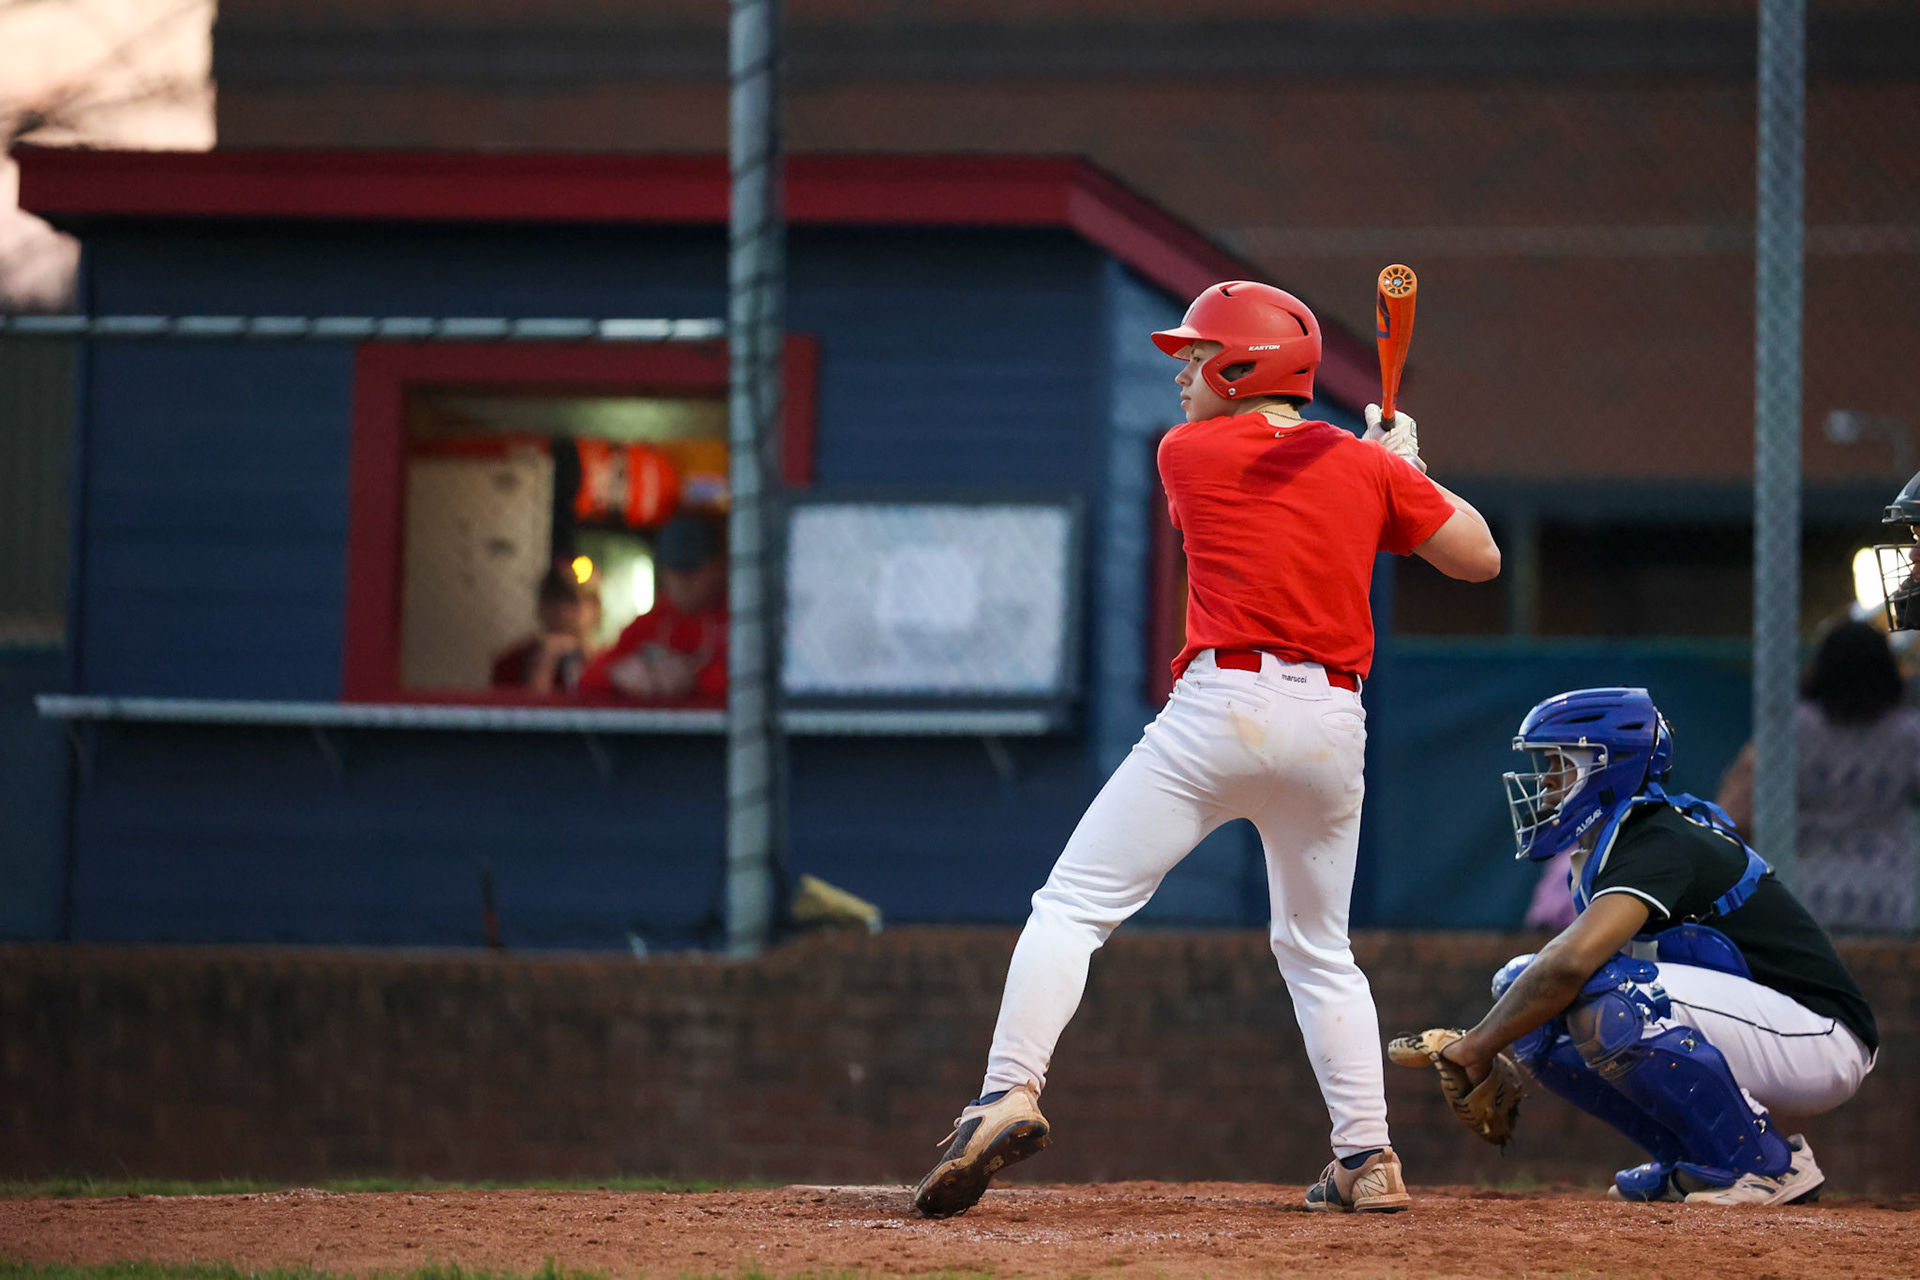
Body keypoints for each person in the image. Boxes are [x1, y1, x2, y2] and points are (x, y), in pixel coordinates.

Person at [910, 280, 1501, 1219]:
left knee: (1071, 907)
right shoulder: (1357, 467)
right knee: (1319, 950)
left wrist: (1385, 467)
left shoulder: (1188, 452)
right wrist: (1406, 469)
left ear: (1242, 365)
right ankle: (1368, 1155)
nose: (1183, 375)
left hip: (1222, 708)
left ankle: (1007, 1092)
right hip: (1332, 726)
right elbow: (1479, 558)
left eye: (1196, 357)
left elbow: (1295, 477)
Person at [1436, 687, 1877, 1205]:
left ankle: (1766, 1165)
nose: (1546, 783)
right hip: (1769, 1024)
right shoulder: (1616, 843)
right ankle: (1699, 1161)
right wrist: (1492, 1037)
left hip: (1822, 1037)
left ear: (1607, 769)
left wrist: (1476, 1046)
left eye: (1559, 765)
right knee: (1528, 996)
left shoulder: (1654, 838)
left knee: (1606, 996)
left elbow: (1572, 964)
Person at [1717, 621, 1920, 933]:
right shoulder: (1907, 733)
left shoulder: (1794, 728)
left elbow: (1733, 815)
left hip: (1804, 887)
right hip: (1885, 893)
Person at [578, 514, 727, 702]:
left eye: (691, 570)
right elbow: (588, 676)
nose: (681, 582)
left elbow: (756, 679)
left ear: (717, 568)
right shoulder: (654, 621)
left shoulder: (739, 618)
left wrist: (695, 678)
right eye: (673, 570)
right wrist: (620, 675)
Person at [491, 564, 602, 693]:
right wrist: (542, 666)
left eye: (572, 602)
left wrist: (592, 664)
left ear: (595, 609)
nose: (562, 611)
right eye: (552, 600)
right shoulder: (512, 662)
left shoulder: (609, 664)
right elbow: (509, 710)